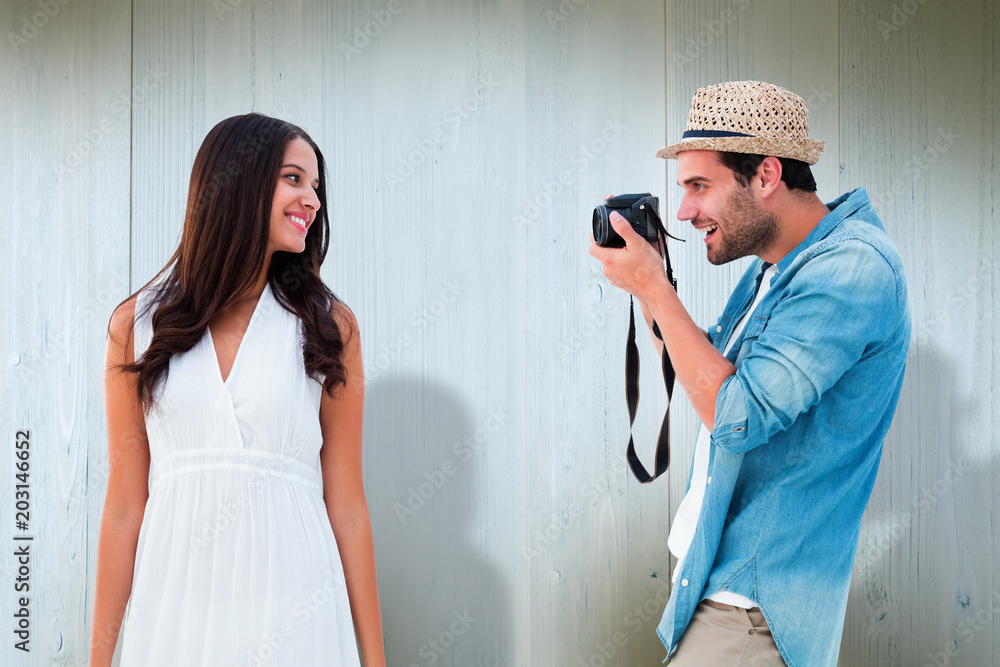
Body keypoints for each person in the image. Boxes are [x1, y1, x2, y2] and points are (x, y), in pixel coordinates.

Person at [590, 81, 910, 666]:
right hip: (724, 588)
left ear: (765, 175)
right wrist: (654, 285)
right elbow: (711, 370)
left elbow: (735, 417)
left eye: (698, 186)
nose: (684, 210)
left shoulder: (851, 268)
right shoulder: (780, 266)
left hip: (755, 607)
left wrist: (655, 290)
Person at [91, 113, 386, 666]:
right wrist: (98, 661)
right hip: (174, 615)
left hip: (300, 613)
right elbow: (125, 506)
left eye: (316, 187)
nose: (313, 200)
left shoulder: (329, 327)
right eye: (294, 179)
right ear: (238, 181)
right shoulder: (137, 326)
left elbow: (346, 505)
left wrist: (376, 662)